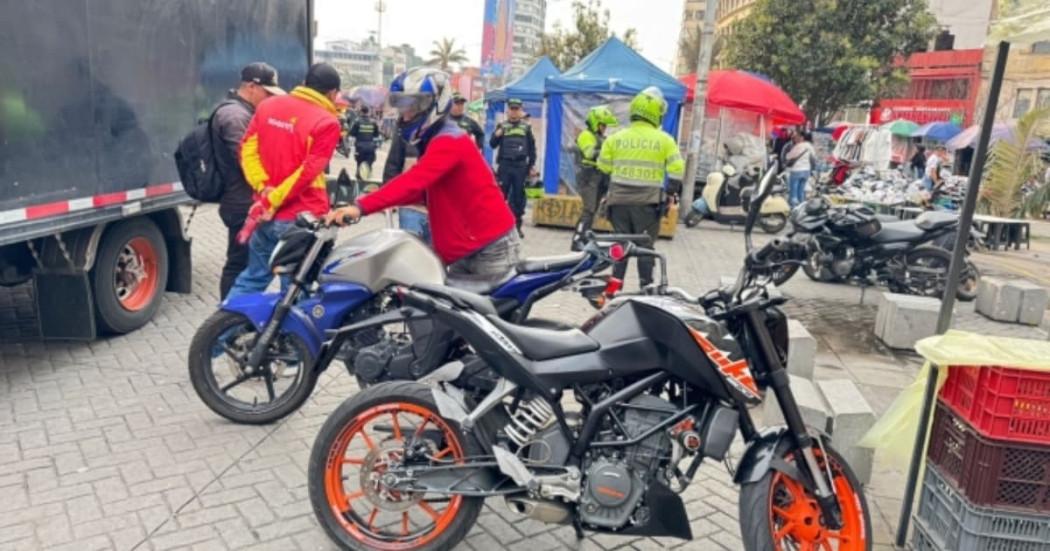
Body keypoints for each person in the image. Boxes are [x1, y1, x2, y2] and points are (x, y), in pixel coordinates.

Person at [326, 67, 519, 282]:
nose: (406, 114)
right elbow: (425, 191)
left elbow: (415, 181)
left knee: (475, 314)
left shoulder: (450, 140)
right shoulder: (433, 138)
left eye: (414, 106)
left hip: (488, 250)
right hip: (466, 251)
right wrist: (376, 199)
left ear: (435, 104)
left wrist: (361, 207)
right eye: (403, 106)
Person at [226, 62, 343, 300]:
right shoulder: (327, 123)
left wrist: (262, 188)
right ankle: (288, 337)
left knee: (252, 279)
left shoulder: (269, 105)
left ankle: (220, 334)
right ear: (332, 93)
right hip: (302, 217)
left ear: (305, 84)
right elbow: (307, 173)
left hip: (264, 215)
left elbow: (247, 149)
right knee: (294, 291)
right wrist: (274, 199)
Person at [597, 87, 684, 289]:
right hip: (648, 204)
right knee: (645, 247)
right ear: (656, 113)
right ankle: (646, 289)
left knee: (620, 246)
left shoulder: (615, 138)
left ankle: (612, 290)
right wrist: (671, 193)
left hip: (618, 202)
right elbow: (677, 169)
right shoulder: (665, 140)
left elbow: (603, 167)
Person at [214, 62, 286, 299]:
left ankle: (229, 322)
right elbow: (246, 159)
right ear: (253, 87)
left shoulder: (243, 112)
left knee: (243, 266)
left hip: (243, 200)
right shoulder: (235, 116)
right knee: (240, 267)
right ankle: (226, 325)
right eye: (267, 93)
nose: (269, 99)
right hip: (241, 202)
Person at [571, 104, 618, 250]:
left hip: (597, 177)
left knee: (593, 210)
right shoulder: (586, 135)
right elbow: (590, 153)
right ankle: (577, 240)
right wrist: (607, 150)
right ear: (595, 122)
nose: (604, 128)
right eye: (603, 125)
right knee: (589, 209)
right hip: (587, 177)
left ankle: (584, 237)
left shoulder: (600, 137)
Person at [489, 98, 536, 237]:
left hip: (520, 167)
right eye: (512, 109)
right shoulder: (502, 126)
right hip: (505, 165)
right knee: (500, 196)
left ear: (520, 111)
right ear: (508, 110)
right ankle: (498, 226)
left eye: (517, 109)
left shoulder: (526, 128)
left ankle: (517, 227)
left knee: (518, 198)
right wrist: (496, 135)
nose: (514, 112)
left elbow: (532, 149)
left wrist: (531, 166)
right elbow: (492, 144)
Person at [349, 105, 380, 180]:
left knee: (360, 165)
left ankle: (359, 181)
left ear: (361, 112)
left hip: (360, 147)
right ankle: (367, 180)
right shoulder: (373, 122)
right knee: (368, 165)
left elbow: (352, 133)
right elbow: (377, 134)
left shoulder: (357, 122)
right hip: (371, 147)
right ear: (368, 112)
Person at [785, 131, 815, 208]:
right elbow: (813, 158)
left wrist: (788, 154)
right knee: (801, 191)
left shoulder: (799, 146)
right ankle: (801, 207)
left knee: (794, 191)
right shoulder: (810, 146)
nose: (797, 138)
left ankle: (794, 208)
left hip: (797, 170)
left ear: (802, 138)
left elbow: (788, 157)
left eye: (799, 136)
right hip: (806, 171)